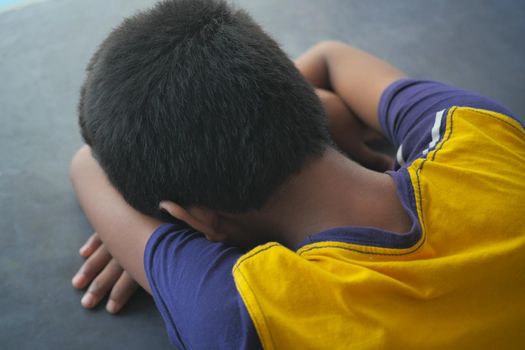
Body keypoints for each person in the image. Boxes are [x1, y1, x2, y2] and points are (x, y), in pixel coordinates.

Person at [69, 0, 525, 348]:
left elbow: (85, 165)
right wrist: (315, 107)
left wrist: (141, 230)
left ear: (197, 218)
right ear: (296, 95)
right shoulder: (482, 137)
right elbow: (332, 57)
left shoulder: (245, 312)